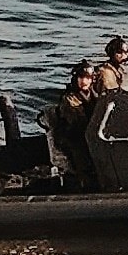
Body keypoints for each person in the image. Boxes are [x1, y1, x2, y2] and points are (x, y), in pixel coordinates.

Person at [46, 59, 101, 187]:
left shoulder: (93, 95)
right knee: (82, 156)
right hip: (73, 136)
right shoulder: (70, 99)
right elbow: (78, 122)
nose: (84, 81)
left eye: (88, 78)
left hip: (89, 132)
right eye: (81, 77)